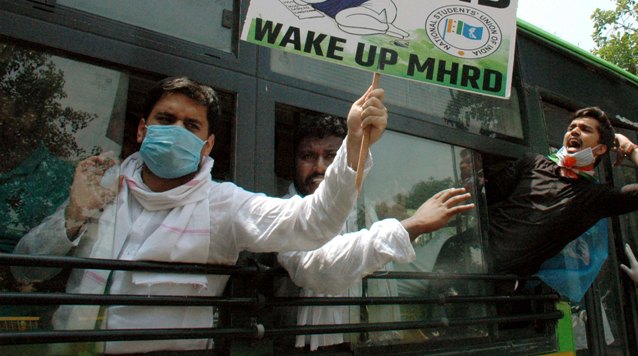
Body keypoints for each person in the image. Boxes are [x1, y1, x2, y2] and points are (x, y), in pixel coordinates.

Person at [13, 75, 388, 353]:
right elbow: (25, 269)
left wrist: (355, 143)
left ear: (207, 144)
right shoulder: (98, 188)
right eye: (166, 120)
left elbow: (315, 222)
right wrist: (73, 216)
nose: (176, 131)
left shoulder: (223, 204)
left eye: (191, 126)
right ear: (143, 130)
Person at [276, 113, 474, 351]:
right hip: (315, 345)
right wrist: (411, 225)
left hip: (374, 342)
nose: (319, 168)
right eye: (308, 156)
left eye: (331, 156)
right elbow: (317, 267)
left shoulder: (363, 208)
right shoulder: (284, 212)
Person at [487, 106, 638, 279]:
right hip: (468, 249)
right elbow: (486, 194)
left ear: (601, 148)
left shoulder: (595, 197)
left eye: (585, 129)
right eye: (571, 128)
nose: (575, 131)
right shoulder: (533, 163)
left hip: (491, 281)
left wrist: (628, 147)